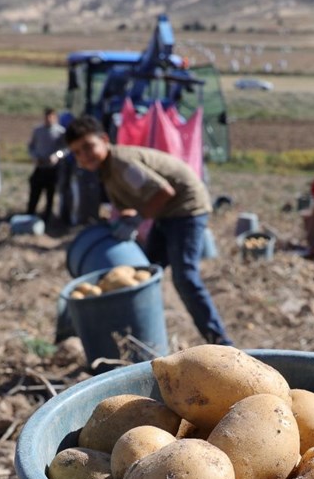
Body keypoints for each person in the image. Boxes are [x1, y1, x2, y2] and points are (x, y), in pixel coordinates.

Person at [63, 115, 233, 346]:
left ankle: (221, 341)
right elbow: (133, 202)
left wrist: (139, 218)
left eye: (88, 146)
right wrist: (122, 219)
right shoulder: (106, 171)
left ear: (104, 139)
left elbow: (164, 192)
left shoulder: (121, 163)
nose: (84, 155)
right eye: (77, 152)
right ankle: (137, 333)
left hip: (186, 208)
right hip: (166, 213)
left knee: (185, 278)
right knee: (146, 269)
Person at [27, 107, 66, 221]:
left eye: (51, 117)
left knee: (50, 195)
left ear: (55, 118)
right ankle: (30, 214)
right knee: (34, 192)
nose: (48, 119)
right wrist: (34, 157)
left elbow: (65, 149)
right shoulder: (38, 131)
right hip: (40, 166)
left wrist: (57, 156)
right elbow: (31, 147)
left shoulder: (60, 132)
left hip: (53, 169)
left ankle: (47, 217)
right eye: (46, 117)